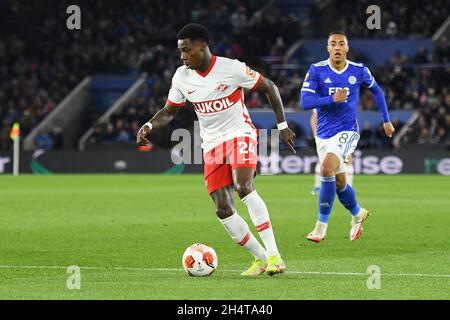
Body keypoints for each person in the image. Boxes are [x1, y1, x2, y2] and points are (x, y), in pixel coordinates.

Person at [137, 24, 296, 275]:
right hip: (212, 144)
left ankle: (275, 255)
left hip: (240, 134)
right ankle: (261, 258)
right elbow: (169, 112)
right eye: (180, 52)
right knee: (222, 208)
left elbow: (270, 87)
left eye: (186, 51)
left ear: (203, 47)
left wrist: (283, 125)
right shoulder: (181, 77)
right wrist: (148, 125)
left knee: (244, 186)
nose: (182, 57)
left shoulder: (231, 68)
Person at [300, 31, 395, 242]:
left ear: (347, 48)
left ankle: (320, 227)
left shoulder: (359, 70)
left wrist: (386, 120)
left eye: (341, 44)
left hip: (348, 131)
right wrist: (332, 98)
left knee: (326, 169)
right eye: (332, 44)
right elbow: (305, 102)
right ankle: (358, 214)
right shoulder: (316, 70)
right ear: (327, 48)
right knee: (339, 183)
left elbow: (378, 91)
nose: (336, 47)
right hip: (323, 134)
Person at [310, 109, 355, 196]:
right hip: (327, 135)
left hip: (342, 135)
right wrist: (316, 134)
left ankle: (348, 187)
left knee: (347, 159)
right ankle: (318, 187)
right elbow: (314, 117)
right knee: (324, 160)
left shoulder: (346, 100)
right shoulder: (324, 99)